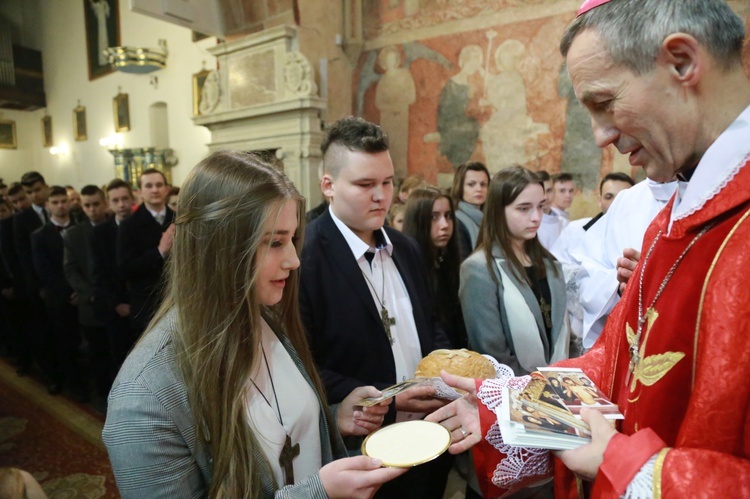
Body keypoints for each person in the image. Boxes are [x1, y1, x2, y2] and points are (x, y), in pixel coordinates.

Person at [429, 0, 750, 497]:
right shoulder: (672, 219)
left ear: (682, 62)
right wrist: (510, 408)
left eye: (605, 102)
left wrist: (621, 464)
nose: (600, 137)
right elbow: (619, 364)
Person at [103, 150, 403, 498]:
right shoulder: (144, 398)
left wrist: (333, 417)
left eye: (292, 239)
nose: (293, 260)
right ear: (218, 248)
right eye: (275, 243)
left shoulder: (264, 316)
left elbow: (279, 433)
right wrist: (318, 493)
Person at [299, 117, 452, 498]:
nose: (382, 196)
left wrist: (441, 371)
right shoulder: (305, 257)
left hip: (428, 435)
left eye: (388, 182)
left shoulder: (406, 247)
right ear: (328, 186)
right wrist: (389, 395)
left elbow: (429, 322)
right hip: (360, 452)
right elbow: (303, 364)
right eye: (365, 185)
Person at [459, 166, 574, 498]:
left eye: (541, 206)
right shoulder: (479, 269)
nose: (536, 217)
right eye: (524, 208)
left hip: (556, 398)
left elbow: (562, 334)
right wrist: (541, 400)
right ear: (499, 210)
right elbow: (492, 354)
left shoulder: (549, 264)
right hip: (510, 409)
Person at [571, 176, 677, 347]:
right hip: (623, 340)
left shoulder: (716, 193)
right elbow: (588, 273)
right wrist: (618, 285)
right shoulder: (626, 200)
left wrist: (655, 279)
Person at [30, 186, 84, 399]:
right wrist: (70, 292)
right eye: (56, 202)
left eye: (64, 201)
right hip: (60, 298)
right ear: (48, 205)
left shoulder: (82, 227)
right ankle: (73, 383)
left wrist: (81, 290)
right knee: (65, 342)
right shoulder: (40, 236)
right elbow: (45, 271)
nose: (61, 205)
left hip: (85, 294)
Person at [63, 185, 111, 402]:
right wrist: (89, 294)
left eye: (96, 204)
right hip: (90, 304)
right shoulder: (73, 235)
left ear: (104, 203)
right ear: (82, 207)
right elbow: (71, 269)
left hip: (116, 304)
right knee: (97, 353)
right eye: (87, 205)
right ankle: (102, 394)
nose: (92, 209)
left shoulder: (116, 227)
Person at [402, 186, 465, 348]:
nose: (444, 225)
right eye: (434, 217)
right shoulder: (411, 268)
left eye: (448, 215)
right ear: (418, 220)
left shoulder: (444, 261)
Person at [116, 168, 175, 337]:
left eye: (159, 185)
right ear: (140, 191)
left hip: (176, 301)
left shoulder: (179, 218)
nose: (154, 190)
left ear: (166, 189)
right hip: (146, 304)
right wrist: (159, 252)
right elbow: (125, 268)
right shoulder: (129, 225)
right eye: (149, 186)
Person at [92, 179, 135, 375]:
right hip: (115, 307)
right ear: (108, 203)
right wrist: (116, 303)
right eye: (115, 200)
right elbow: (99, 273)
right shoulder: (99, 233)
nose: (121, 204)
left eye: (125, 199)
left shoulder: (143, 226)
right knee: (120, 359)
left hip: (142, 303)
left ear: (132, 198)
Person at [451, 161, 490, 261]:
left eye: (483, 184)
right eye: (471, 184)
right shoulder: (456, 220)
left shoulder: (488, 217)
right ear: (460, 187)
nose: (479, 189)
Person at [534, 170, 566, 250]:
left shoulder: (564, 223)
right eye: (541, 191)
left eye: (549, 190)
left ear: (554, 191)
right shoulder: (529, 224)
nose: (546, 197)